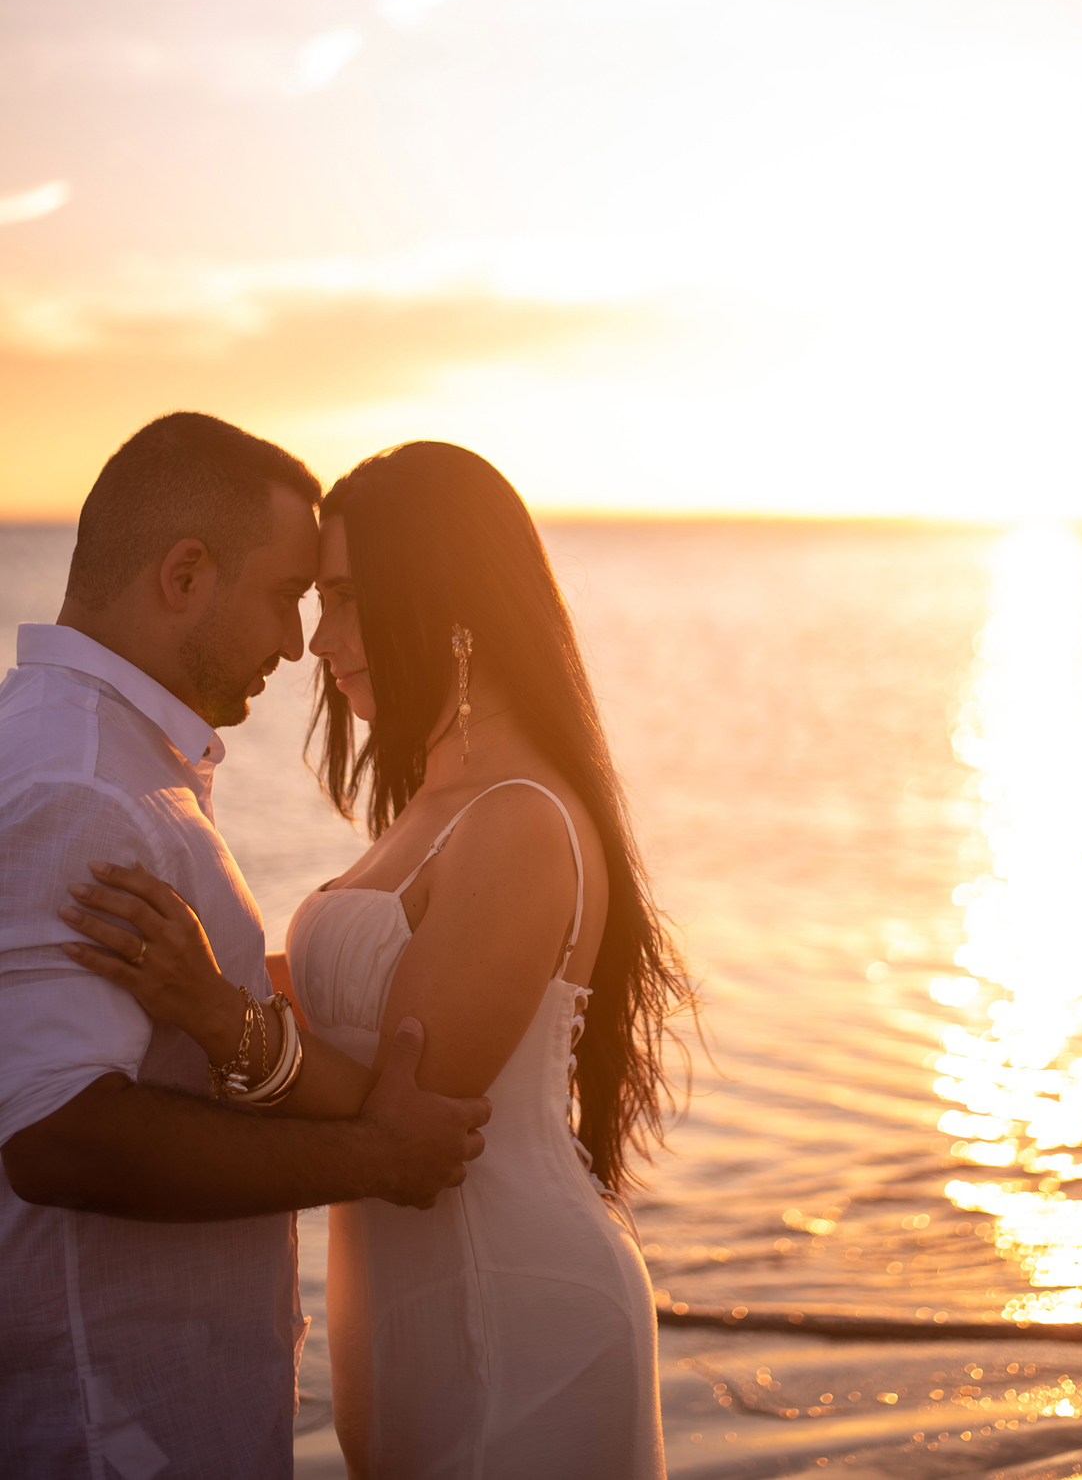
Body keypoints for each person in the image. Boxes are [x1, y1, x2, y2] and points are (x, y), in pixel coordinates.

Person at [75, 440, 693, 1479]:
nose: (319, 639)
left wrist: (209, 1007)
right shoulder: (432, 809)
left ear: (446, 605)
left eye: (349, 599)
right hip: (410, 1310)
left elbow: (399, 1111)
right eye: (317, 598)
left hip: (516, 1308)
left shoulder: (521, 821)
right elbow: (344, 1007)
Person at [0, 415, 489, 1480]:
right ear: (185, 575)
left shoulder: (104, 761)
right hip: (112, 1429)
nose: (294, 640)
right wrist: (373, 1158)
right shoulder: (80, 785)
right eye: (284, 595)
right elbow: (57, 1136)